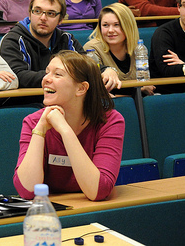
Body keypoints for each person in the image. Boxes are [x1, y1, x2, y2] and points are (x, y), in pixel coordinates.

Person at [13, 50, 124, 201]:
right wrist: (39, 131)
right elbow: (27, 191)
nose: (46, 79)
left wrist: (65, 130)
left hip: (95, 210)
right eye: (47, 73)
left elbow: (98, 191)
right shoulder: (34, 122)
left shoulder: (110, 121)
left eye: (57, 74)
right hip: (51, 209)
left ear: (81, 89)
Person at [0, 0, 121, 91]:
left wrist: (108, 70)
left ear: (60, 19)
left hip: (62, 101)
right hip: (24, 104)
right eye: (37, 11)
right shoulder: (12, 40)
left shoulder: (66, 39)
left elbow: (87, 65)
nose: (43, 18)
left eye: (50, 13)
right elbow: (18, 76)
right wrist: (63, 76)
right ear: (30, 14)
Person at [84, 3, 155, 95]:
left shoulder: (137, 48)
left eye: (116, 25)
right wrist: (138, 91)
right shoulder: (92, 49)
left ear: (128, 26)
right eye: (105, 25)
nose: (110, 30)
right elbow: (101, 89)